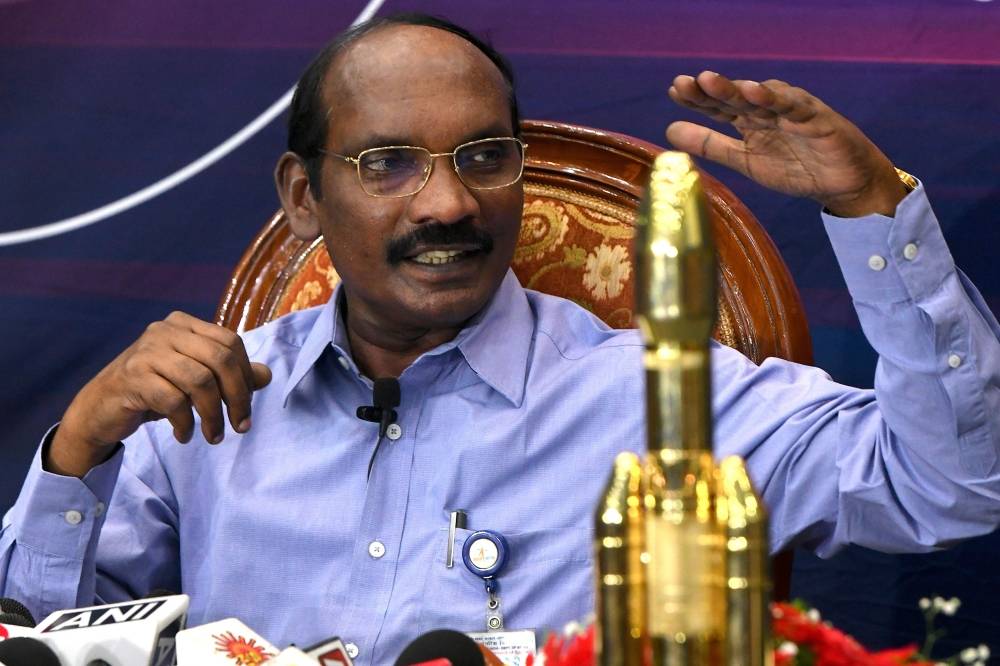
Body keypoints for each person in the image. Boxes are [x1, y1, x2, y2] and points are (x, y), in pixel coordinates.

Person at [2, 13, 999, 665]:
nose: (447, 201)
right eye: (389, 164)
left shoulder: (664, 400)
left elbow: (952, 485)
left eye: (484, 157)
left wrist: (875, 210)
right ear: (305, 197)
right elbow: (45, 639)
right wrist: (77, 449)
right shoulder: (211, 398)